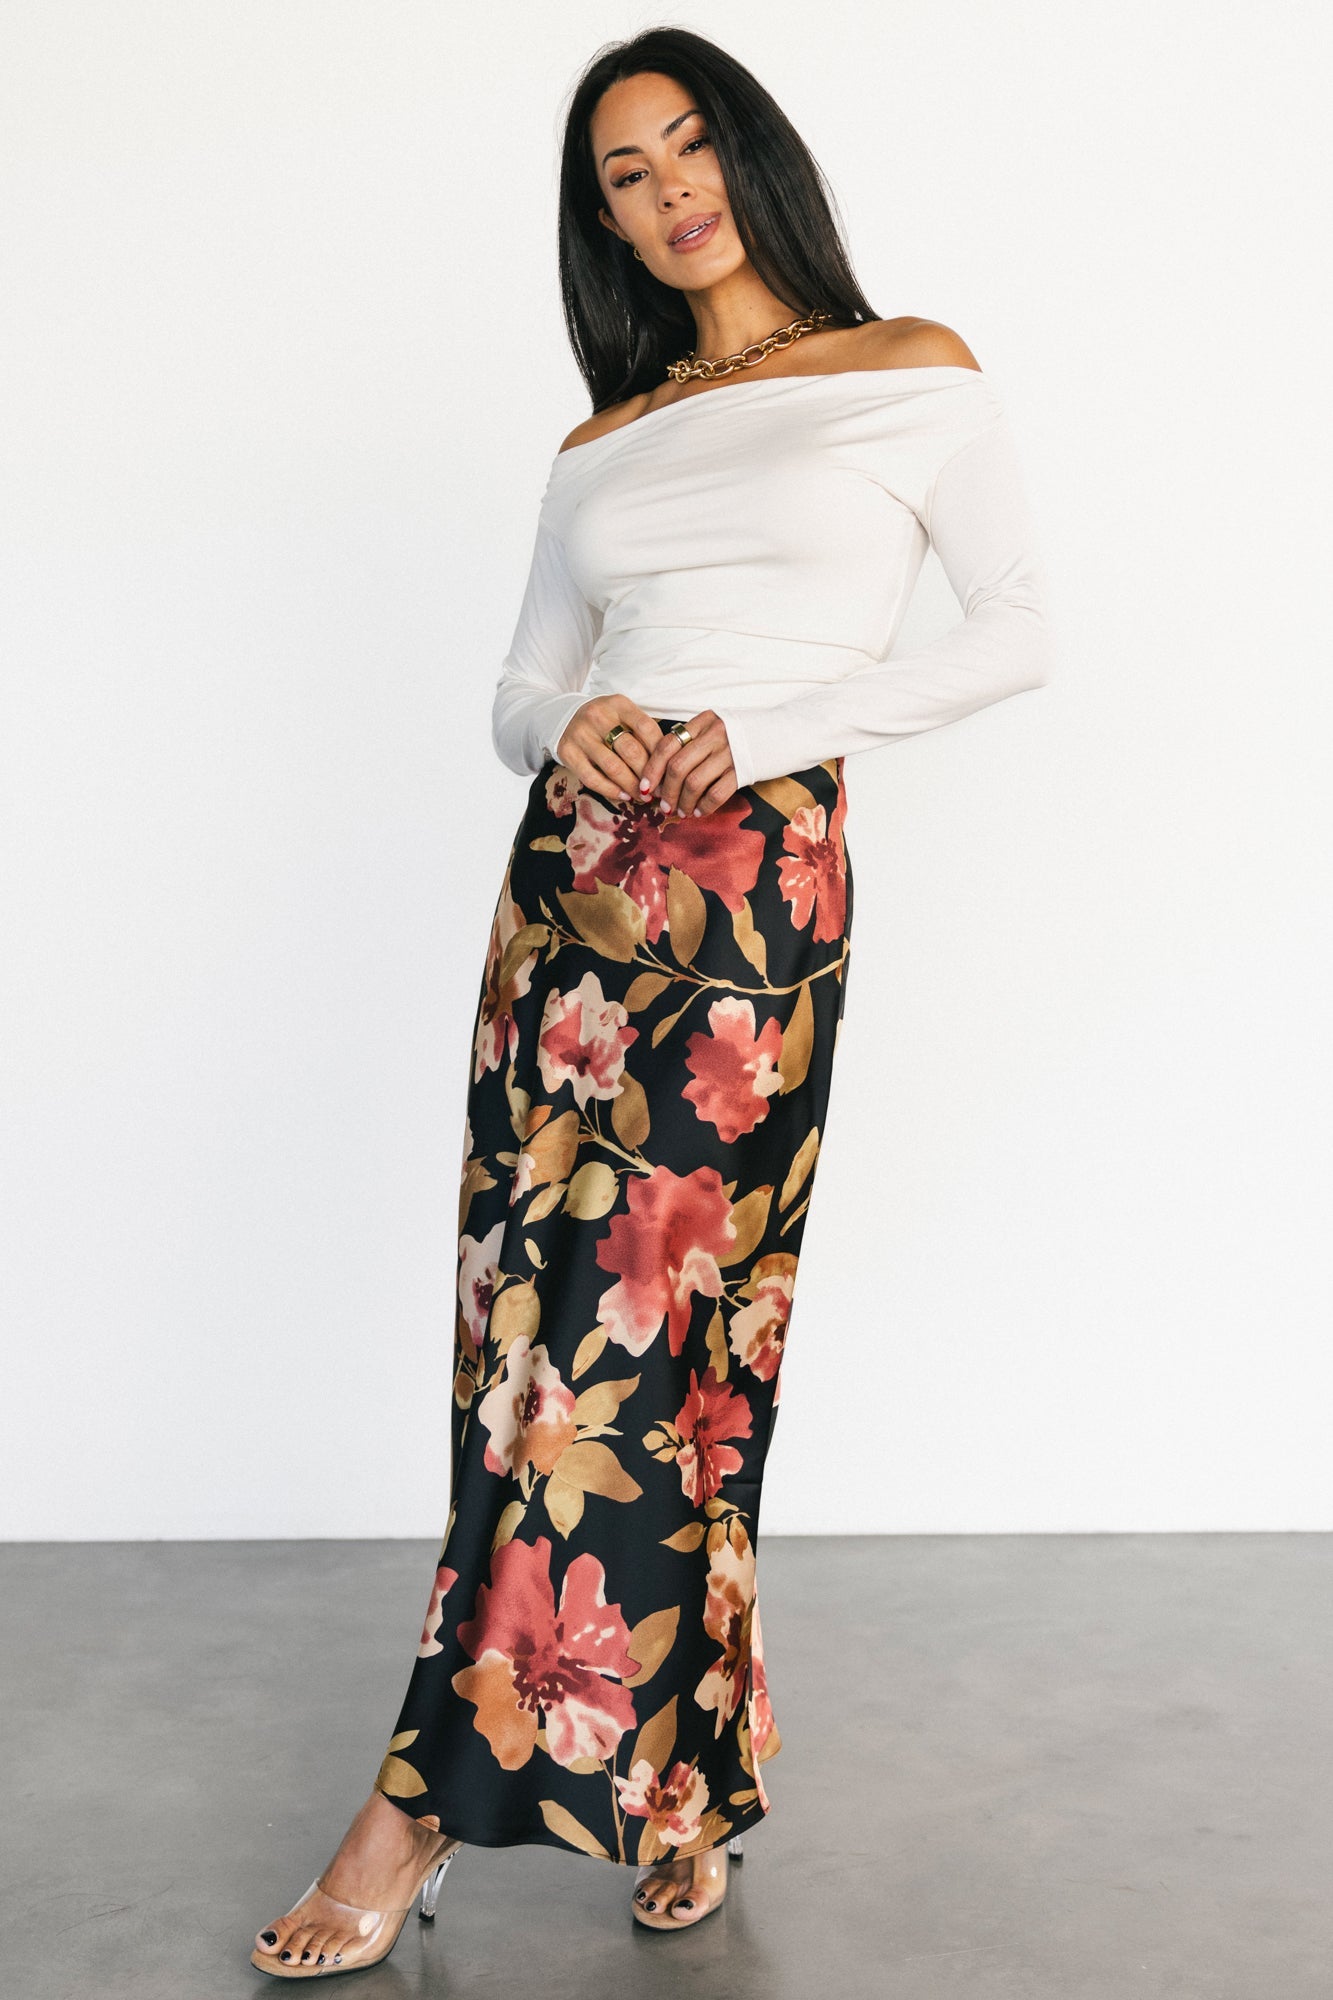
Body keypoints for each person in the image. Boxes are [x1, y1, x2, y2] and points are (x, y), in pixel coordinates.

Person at [250, 24, 1054, 1980]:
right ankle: (690, 1789)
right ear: (600, 219)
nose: (670, 187)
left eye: (690, 144)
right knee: (521, 1345)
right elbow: (517, 691)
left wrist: (764, 726)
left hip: (749, 909)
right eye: (626, 171)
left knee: (668, 1350)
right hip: (572, 902)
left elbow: (1020, 631)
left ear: (749, 156)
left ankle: (411, 1809)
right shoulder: (599, 442)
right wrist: (574, 722)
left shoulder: (907, 371)